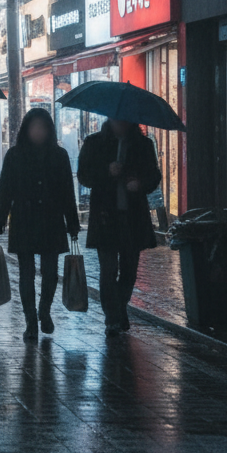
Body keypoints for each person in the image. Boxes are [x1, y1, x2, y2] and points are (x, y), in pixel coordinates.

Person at [0, 109, 80, 341]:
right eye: (34, 127)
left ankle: (44, 311)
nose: (38, 132)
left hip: (51, 220)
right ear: (27, 129)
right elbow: (5, 191)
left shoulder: (59, 156)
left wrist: (72, 222)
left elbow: (67, 192)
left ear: (49, 130)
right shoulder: (15, 155)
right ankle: (31, 320)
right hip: (24, 219)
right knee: (26, 274)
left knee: (50, 273)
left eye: (43, 127)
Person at [78, 118, 161, 336]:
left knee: (129, 270)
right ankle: (112, 318)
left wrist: (140, 184)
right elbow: (84, 175)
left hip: (132, 216)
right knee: (108, 270)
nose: (120, 124)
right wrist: (107, 171)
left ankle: (119, 307)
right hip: (106, 216)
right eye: (116, 120)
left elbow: (154, 176)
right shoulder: (95, 142)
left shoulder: (143, 145)